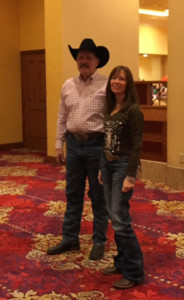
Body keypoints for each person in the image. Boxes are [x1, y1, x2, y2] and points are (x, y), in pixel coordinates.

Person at [47, 38, 110, 260]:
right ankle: (70, 239)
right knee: (73, 194)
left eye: (88, 58)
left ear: (97, 61)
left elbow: (111, 120)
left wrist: (109, 151)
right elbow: (61, 117)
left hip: (96, 146)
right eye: (80, 57)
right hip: (73, 146)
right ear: (77, 60)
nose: (84, 61)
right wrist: (58, 144)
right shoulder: (67, 85)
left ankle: (99, 241)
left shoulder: (106, 84)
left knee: (98, 195)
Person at [99, 65, 145, 288]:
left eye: (122, 79)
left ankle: (134, 271)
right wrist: (101, 167)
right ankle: (121, 261)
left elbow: (137, 145)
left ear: (128, 84)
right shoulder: (111, 108)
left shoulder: (132, 110)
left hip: (122, 167)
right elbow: (106, 141)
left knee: (120, 219)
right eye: (114, 78)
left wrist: (130, 176)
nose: (116, 81)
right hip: (107, 167)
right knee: (113, 216)